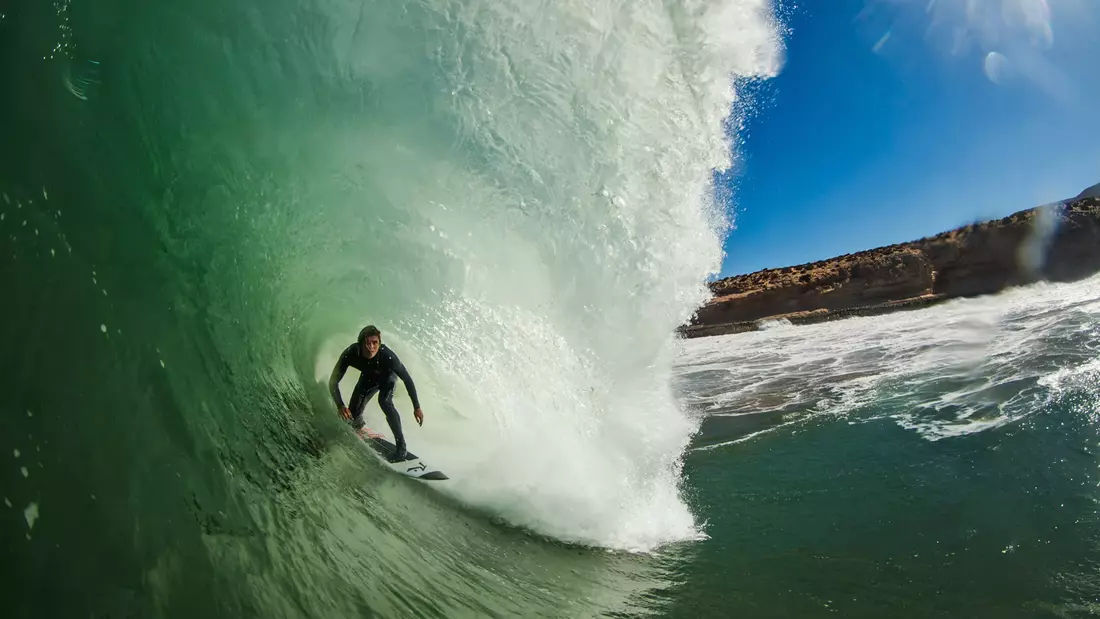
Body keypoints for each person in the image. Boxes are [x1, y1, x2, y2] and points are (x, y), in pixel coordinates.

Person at [329, 325, 424, 461]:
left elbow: (407, 379)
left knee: (384, 401)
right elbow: (333, 382)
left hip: (387, 378)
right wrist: (340, 405)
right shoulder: (350, 354)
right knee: (352, 417)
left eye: (375, 343)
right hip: (368, 378)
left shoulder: (387, 356)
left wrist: (416, 407)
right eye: (368, 343)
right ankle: (359, 424)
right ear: (360, 343)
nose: (372, 347)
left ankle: (401, 447)